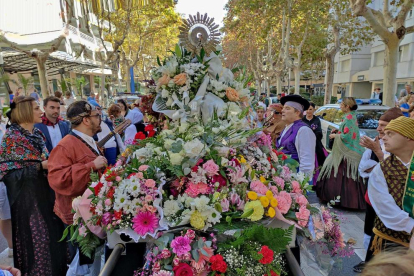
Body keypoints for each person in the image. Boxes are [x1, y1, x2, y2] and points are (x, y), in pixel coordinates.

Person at [0, 96, 68, 275]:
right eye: (37, 108)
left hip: (46, 196)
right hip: (27, 202)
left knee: (53, 240)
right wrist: (39, 166)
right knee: (37, 242)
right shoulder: (12, 138)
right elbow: (8, 173)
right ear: (25, 111)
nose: (41, 112)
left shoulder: (36, 134)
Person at [48, 101, 107, 267]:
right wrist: (91, 166)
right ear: (86, 120)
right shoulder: (65, 146)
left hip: (91, 215)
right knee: (83, 266)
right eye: (97, 116)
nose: (100, 119)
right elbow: (57, 179)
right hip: (78, 219)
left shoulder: (89, 141)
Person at [353, 107, 403, 273]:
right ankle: (369, 263)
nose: (378, 129)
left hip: (390, 203)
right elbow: (362, 169)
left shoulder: (397, 147)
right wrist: (378, 159)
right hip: (371, 197)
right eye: (379, 124)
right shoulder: (378, 142)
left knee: (384, 238)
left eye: (383, 125)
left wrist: (378, 154)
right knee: (370, 231)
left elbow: (393, 172)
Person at [365, 116, 414, 262]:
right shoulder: (382, 169)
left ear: (409, 137)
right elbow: (384, 206)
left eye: (390, 134)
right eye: (384, 134)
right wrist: (411, 226)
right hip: (389, 242)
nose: (384, 138)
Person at [316, 97, 366, 210]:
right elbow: (347, 132)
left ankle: (341, 201)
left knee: (338, 174)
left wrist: (335, 136)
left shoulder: (348, 118)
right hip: (351, 151)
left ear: (347, 106)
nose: (340, 106)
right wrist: (338, 131)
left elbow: (347, 136)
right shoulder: (351, 116)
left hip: (346, 153)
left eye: (342, 104)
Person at [277, 95, 316, 177]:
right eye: (283, 108)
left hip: (295, 178)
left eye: (287, 108)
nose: (282, 111)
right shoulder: (287, 127)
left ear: (297, 112)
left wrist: (302, 184)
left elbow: (307, 163)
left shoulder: (303, 130)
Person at [89, 100, 125, 166]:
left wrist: (124, 150)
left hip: (110, 148)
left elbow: (116, 136)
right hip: (101, 149)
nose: (98, 111)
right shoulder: (94, 124)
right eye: (97, 109)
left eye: (99, 109)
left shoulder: (107, 122)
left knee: (111, 169)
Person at [302, 102, 327, 184]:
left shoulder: (317, 120)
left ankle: (316, 181)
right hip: (304, 145)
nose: (308, 111)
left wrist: (312, 134)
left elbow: (319, 132)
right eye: (307, 109)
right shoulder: (302, 119)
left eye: (310, 109)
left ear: (314, 110)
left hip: (315, 145)